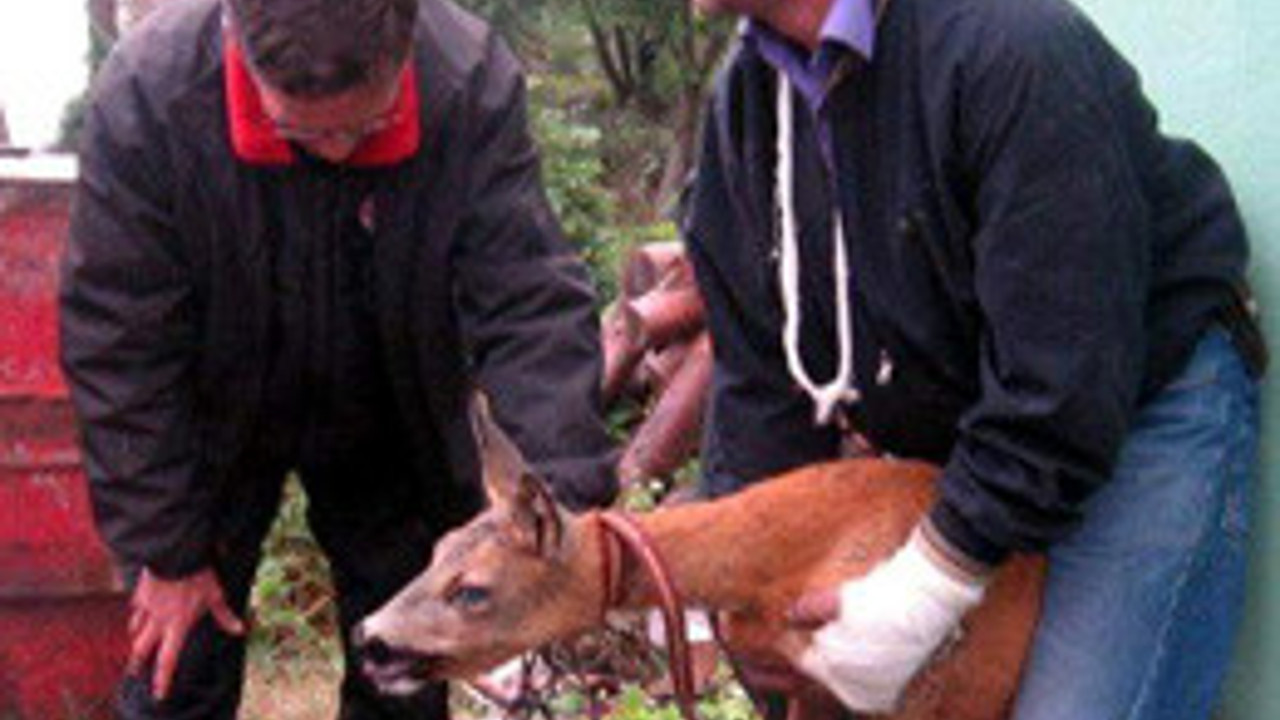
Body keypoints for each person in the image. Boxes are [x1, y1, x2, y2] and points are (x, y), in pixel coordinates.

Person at [680, 0, 1266, 717]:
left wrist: (922, 593)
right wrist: (765, 605)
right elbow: (759, 394)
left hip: (1139, 400)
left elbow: (1063, 377)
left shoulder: (1012, 47)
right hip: (973, 426)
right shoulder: (746, 107)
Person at [59, 0, 618, 717]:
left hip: (391, 402)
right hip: (207, 406)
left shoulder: (465, 80)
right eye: (301, 130)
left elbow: (528, 300)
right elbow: (118, 331)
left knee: (406, 672)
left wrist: (556, 508)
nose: (336, 150)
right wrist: (165, 547)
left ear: (407, 47)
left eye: (368, 124)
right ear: (237, 46)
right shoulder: (151, 93)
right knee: (178, 659)